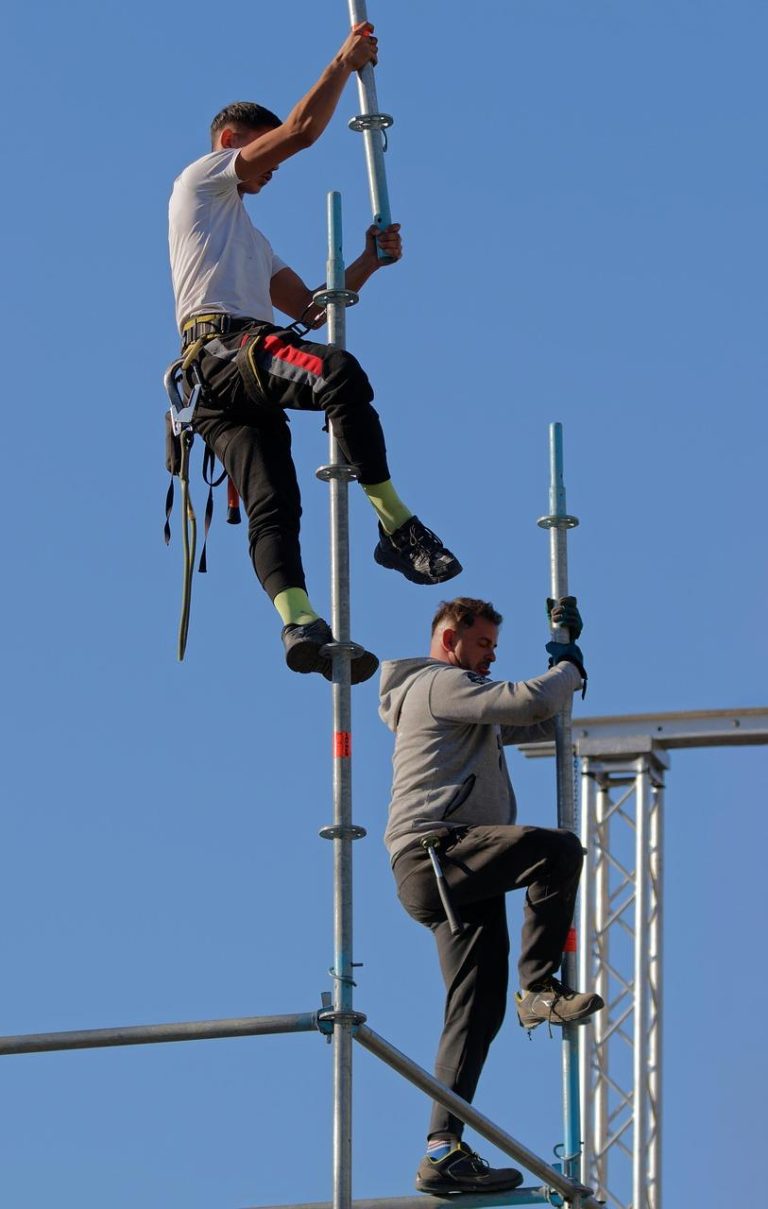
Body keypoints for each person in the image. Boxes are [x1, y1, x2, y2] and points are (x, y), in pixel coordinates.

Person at [168, 22, 461, 683]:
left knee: (275, 499)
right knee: (336, 373)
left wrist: (367, 263)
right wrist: (342, 63)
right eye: (260, 153)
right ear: (230, 142)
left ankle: (298, 622)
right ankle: (395, 524)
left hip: (224, 375)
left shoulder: (243, 237)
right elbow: (301, 131)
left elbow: (307, 309)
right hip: (225, 353)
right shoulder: (202, 181)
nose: (271, 169)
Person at [378, 595, 604, 1195]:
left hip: (449, 869)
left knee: (476, 1011)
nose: (490, 659)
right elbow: (530, 700)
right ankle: (539, 987)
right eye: (483, 646)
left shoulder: (460, 696)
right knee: (556, 850)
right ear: (449, 639)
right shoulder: (438, 684)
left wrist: (567, 668)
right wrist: (566, 667)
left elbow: (539, 718)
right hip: (439, 853)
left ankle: (441, 1149)